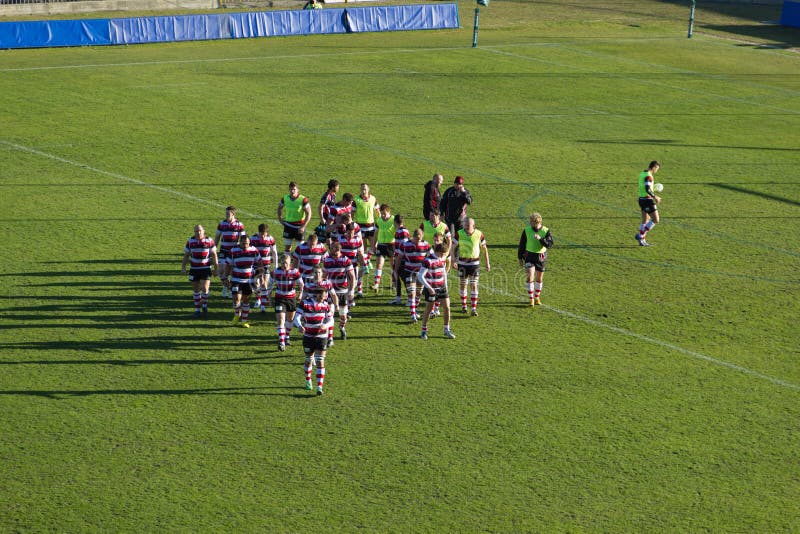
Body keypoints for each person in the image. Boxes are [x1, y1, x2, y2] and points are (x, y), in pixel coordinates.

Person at [294, 286, 330, 396]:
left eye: (324, 295)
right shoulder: (305, 303)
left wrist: (325, 325)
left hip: (322, 336)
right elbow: (296, 317)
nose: (324, 297)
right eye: (322, 295)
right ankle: (308, 380)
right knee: (309, 359)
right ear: (317, 295)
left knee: (320, 360)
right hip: (308, 336)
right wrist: (299, 326)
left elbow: (330, 319)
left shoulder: (326, 305)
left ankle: (319, 387)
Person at [452, 218, 490, 316]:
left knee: (474, 285)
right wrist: (453, 260)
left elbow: (484, 249)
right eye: (465, 224)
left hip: (474, 264)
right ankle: (464, 306)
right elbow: (453, 247)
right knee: (463, 284)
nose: (466, 226)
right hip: (462, 263)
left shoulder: (479, 234)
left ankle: (473, 308)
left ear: (473, 225)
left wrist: (487, 263)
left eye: (468, 224)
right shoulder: (459, 233)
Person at [417, 241, 455, 340]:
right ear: (437, 251)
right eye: (442, 254)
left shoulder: (441, 259)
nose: (443, 256)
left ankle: (446, 329)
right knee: (428, 310)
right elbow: (420, 276)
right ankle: (423, 331)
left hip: (442, 288)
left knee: (447, 307)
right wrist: (429, 288)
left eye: (444, 254)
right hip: (431, 289)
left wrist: (445, 286)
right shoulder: (428, 260)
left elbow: (443, 273)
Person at [181, 224, 218, 317]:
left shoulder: (209, 241)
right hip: (194, 269)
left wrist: (216, 269)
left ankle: (203, 303)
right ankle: (198, 309)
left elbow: (214, 255)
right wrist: (183, 267)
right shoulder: (190, 241)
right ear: (194, 232)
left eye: (200, 230)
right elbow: (186, 255)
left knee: (205, 289)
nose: (198, 232)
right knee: (196, 290)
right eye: (196, 231)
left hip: (205, 268)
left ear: (203, 231)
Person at [269, 253, 304, 351]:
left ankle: (287, 336)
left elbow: (301, 284)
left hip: (291, 298)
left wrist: (300, 294)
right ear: (280, 263)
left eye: (287, 263)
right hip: (280, 298)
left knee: (290, 320)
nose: (285, 265)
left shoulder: (295, 272)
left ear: (290, 263)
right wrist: (269, 297)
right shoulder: (276, 272)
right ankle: (281, 342)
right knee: (281, 320)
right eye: (283, 263)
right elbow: (270, 285)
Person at [517, 212, 553, 306]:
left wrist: (540, 239)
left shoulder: (546, 231)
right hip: (529, 256)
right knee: (530, 277)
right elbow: (522, 244)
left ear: (537, 222)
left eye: (531, 222)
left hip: (541, 257)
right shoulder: (526, 230)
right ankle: (531, 299)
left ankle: (537, 297)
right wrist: (520, 257)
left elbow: (549, 245)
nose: (530, 223)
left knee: (539, 279)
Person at [395, 228, 430, 322]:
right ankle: (413, 314)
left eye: (419, 240)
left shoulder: (426, 245)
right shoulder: (405, 245)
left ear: (422, 237)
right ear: (413, 237)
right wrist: (395, 270)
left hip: (421, 273)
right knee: (412, 293)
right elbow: (399, 258)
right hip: (409, 272)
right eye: (416, 240)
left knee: (419, 293)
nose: (417, 242)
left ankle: (415, 309)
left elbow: (432, 257)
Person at [323, 241, 356, 340]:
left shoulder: (346, 260)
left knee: (343, 315)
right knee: (330, 314)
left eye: (332, 249)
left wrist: (351, 291)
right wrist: (323, 290)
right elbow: (324, 276)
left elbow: (352, 277)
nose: (330, 250)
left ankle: (341, 327)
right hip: (331, 292)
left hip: (343, 292)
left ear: (338, 250)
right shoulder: (327, 260)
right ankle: (330, 338)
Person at [229, 234, 263, 328]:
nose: (245, 245)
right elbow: (228, 264)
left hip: (249, 280)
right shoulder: (233, 251)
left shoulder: (254, 251)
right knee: (236, 299)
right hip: (236, 279)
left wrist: (261, 277)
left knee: (246, 301)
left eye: (247, 243)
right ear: (240, 242)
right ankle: (237, 314)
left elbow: (260, 263)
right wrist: (225, 277)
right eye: (244, 243)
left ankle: (244, 321)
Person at [214, 206, 245, 298]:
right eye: (226, 213)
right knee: (221, 270)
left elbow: (243, 239)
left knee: (232, 272)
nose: (226, 215)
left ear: (233, 214)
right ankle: (226, 287)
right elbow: (217, 237)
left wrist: (242, 250)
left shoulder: (239, 225)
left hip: (234, 252)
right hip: (224, 250)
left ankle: (231, 289)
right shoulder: (222, 224)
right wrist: (214, 249)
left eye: (228, 213)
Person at [251, 223, 278, 312]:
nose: (263, 236)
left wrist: (276, 265)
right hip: (256, 265)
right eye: (261, 234)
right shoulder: (253, 238)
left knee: (264, 283)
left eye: (264, 234)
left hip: (266, 265)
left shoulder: (270, 239)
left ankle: (262, 305)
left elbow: (274, 252)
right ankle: (258, 298)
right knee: (256, 283)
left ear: (267, 233)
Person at [277, 181, 312, 252]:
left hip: (299, 227)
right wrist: (280, 218)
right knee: (287, 248)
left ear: (298, 190)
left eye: (294, 189)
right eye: (291, 189)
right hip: (288, 226)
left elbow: (309, 213)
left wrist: (303, 226)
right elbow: (279, 208)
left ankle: (299, 262)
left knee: (300, 249)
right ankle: (287, 262)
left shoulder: (303, 200)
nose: (292, 191)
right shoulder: (285, 198)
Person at [636, 160, 662, 246]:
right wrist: (656, 197)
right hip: (647, 200)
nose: (656, 171)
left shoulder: (642, 173)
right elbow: (647, 189)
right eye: (657, 168)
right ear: (654, 167)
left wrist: (653, 188)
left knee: (645, 220)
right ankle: (641, 235)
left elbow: (644, 187)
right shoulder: (649, 176)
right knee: (656, 220)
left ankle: (642, 241)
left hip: (641, 199)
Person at [373, 204, 396, 291]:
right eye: (381, 213)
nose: (383, 215)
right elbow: (375, 233)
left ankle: (394, 283)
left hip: (391, 245)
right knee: (379, 264)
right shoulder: (378, 220)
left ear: (389, 212)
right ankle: (376, 284)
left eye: (384, 213)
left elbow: (398, 232)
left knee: (393, 265)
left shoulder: (394, 220)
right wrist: (373, 245)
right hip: (381, 245)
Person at [388, 213, 410, 305]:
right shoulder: (401, 230)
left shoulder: (402, 231)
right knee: (398, 277)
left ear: (395, 222)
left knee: (404, 278)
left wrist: (399, 257)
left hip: (401, 259)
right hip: (400, 257)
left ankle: (409, 299)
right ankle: (398, 298)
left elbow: (404, 245)